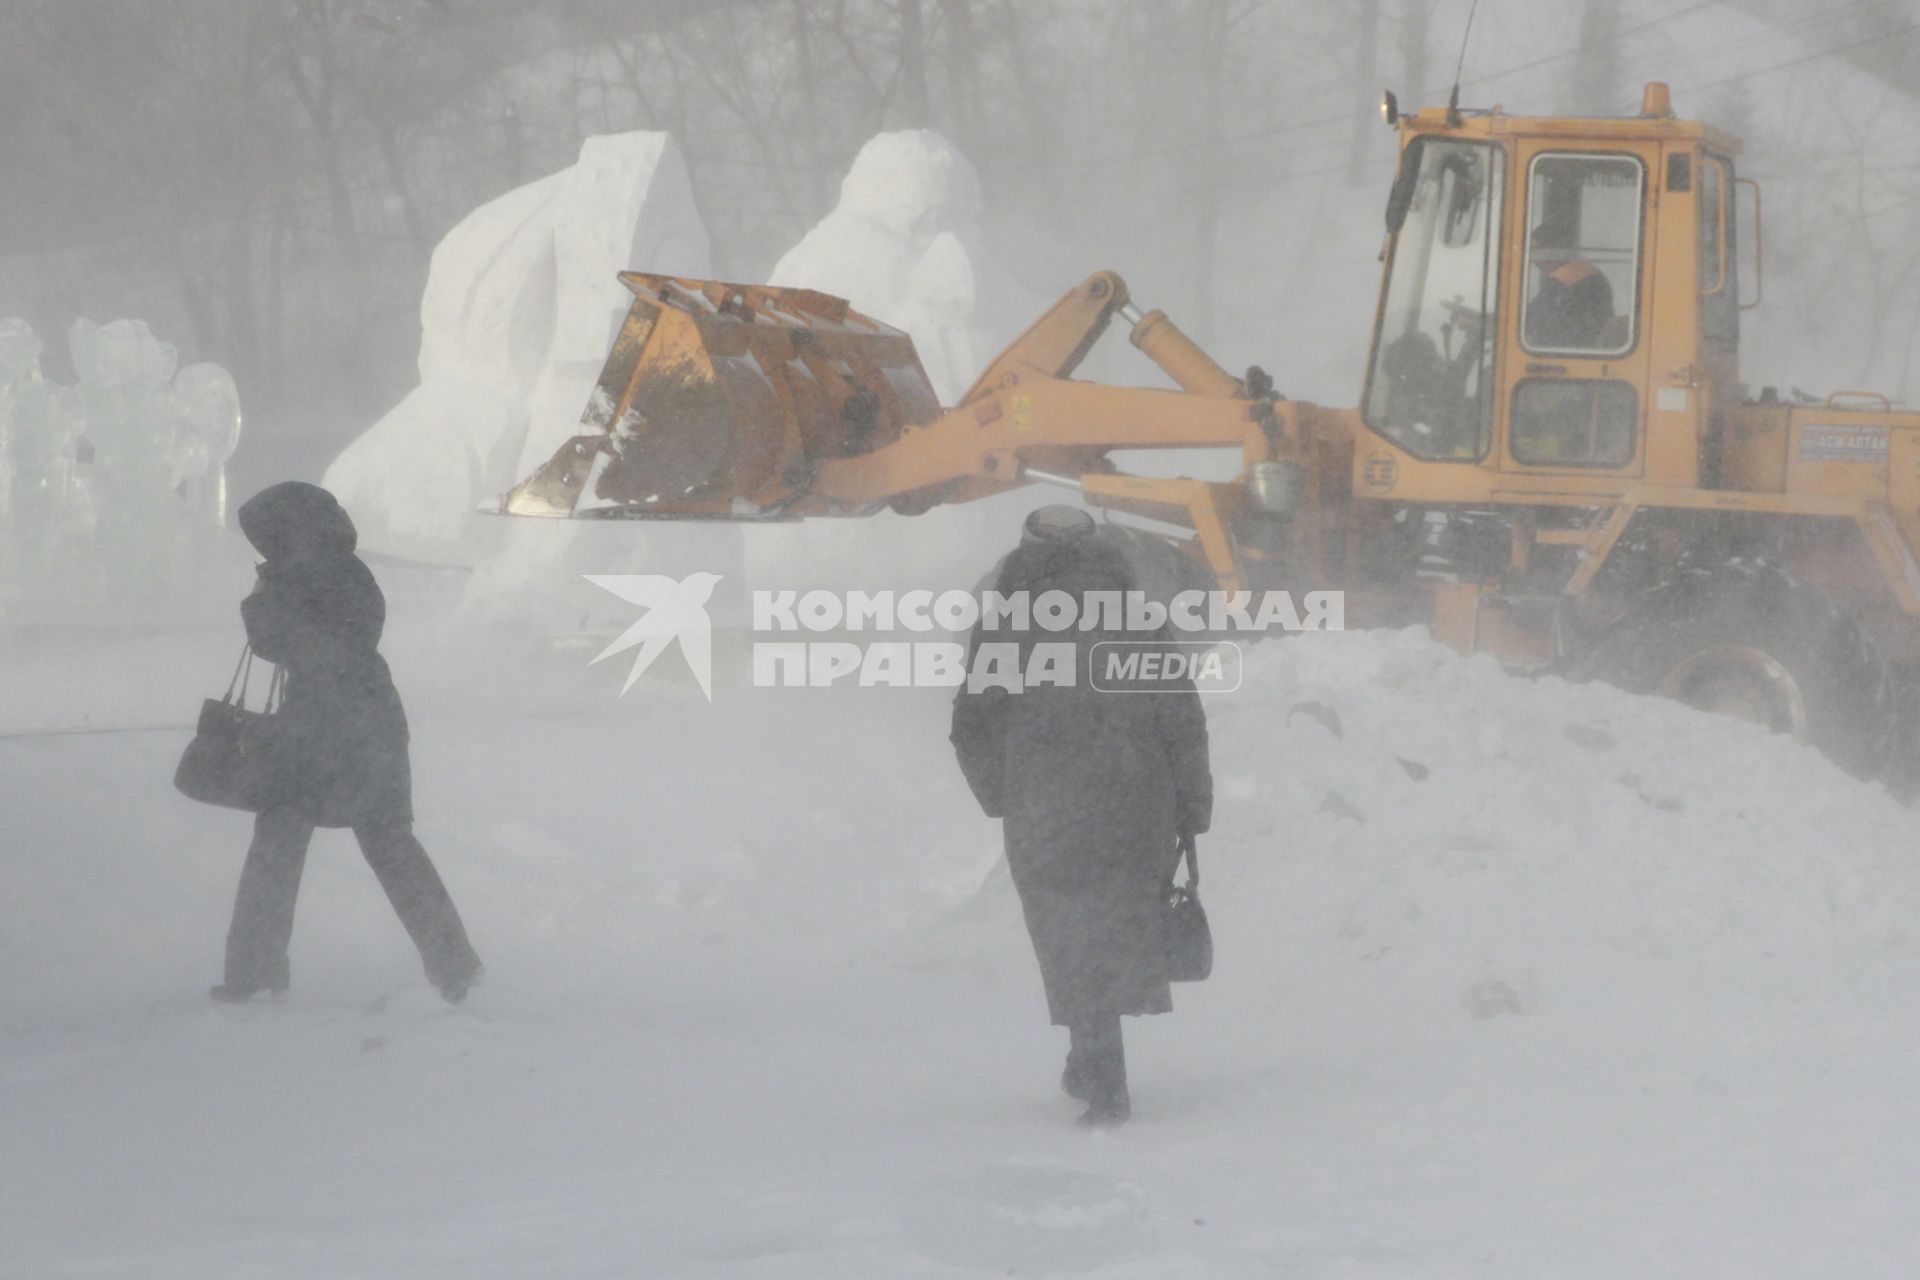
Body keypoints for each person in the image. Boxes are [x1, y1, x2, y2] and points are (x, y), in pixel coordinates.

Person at [950, 506, 1213, 1126]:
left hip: (1047, 807)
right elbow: (1182, 721)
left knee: (1069, 935)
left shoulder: (1004, 631)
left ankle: (1105, 1081)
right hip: (1135, 802)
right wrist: (1190, 807)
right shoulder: (1139, 623)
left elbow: (972, 729)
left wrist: (1001, 794)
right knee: (1113, 931)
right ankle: (1089, 1060)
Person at [211, 481, 482, 1004]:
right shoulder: (343, 572)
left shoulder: (316, 574)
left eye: (269, 536)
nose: (264, 547)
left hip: (331, 731)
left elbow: (287, 644)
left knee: (282, 849)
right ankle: (455, 966)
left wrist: (264, 597)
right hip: (361, 727)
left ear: (292, 529)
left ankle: (255, 973)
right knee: (385, 846)